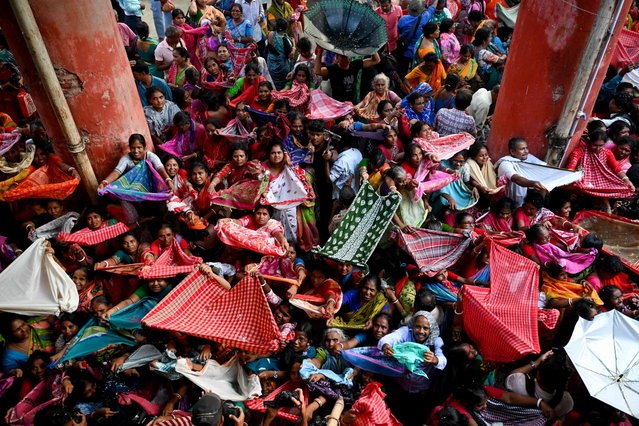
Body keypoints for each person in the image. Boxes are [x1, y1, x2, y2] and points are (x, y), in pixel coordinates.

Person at [98, 134, 174, 192]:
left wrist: (168, 180)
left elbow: (160, 168)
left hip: (152, 187)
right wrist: (105, 182)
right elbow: (117, 172)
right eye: (133, 148)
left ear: (144, 147)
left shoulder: (151, 156)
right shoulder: (126, 159)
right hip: (134, 189)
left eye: (139, 147)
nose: (136, 151)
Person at [314, 47, 381, 103]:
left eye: (348, 56)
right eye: (343, 56)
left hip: (353, 104)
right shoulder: (333, 69)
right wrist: (319, 51)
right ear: (337, 57)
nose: (346, 59)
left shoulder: (355, 65)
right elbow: (317, 71)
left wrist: (371, 46)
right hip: (339, 105)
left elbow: (376, 60)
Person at [495, 137, 548, 207]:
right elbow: (517, 179)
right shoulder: (505, 163)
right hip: (506, 201)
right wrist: (533, 183)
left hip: (523, 198)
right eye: (522, 149)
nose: (526, 151)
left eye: (526, 148)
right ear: (512, 152)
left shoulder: (528, 157)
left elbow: (545, 167)